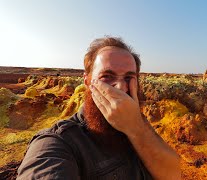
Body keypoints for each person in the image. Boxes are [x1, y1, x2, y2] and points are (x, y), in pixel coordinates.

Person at [17, 36, 181, 179]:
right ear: (87, 81)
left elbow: (173, 174)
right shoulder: (59, 143)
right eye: (107, 76)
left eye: (129, 77)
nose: (121, 87)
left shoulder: (139, 125)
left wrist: (135, 127)